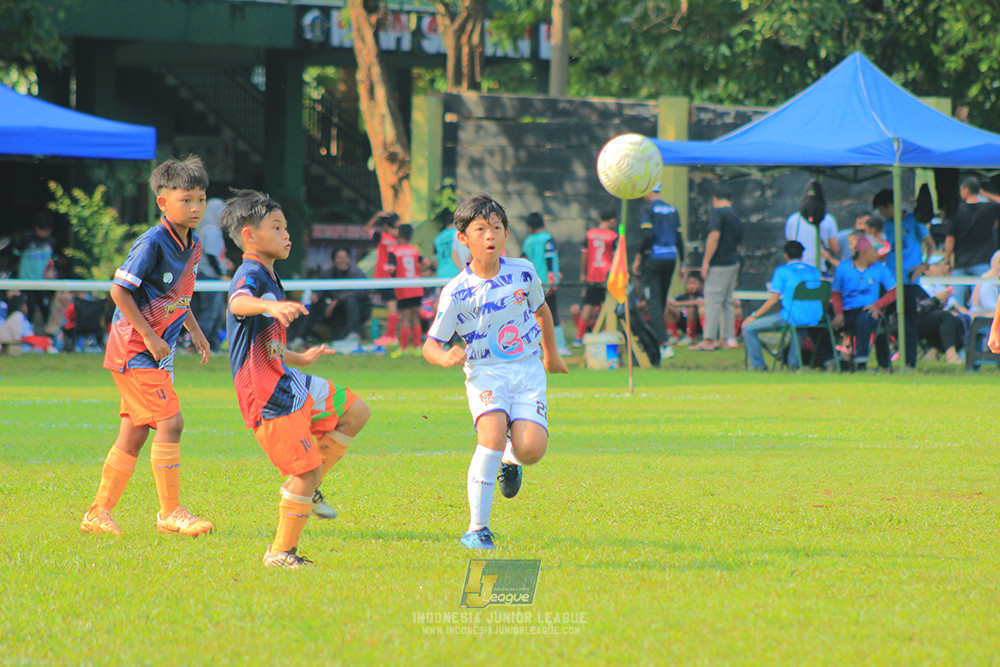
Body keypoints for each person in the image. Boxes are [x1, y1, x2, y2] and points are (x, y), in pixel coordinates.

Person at [222, 189, 372, 568]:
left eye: (286, 226)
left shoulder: (270, 274)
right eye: (277, 227)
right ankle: (279, 553)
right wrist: (270, 305)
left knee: (356, 411)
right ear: (249, 236)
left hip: (286, 377)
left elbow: (264, 342)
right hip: (266, 394)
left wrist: (299, 357)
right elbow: (237, 303)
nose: (287, 234)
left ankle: (309, 485)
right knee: (303, 473)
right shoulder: (250, 274)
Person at [422, 192, 568, 551]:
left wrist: (551, 355)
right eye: (481, 229)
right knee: (489, 436)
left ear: (506, 234)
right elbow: (430, 345)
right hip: (486, 372)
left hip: (527, 370)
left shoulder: (524, 271)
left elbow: (543, 312)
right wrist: (444, 358)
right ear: (463, 238)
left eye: (497, 228)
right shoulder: (456, 292)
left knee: (531, 449)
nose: (490, 236)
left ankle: (512, 458)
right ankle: (477, 528)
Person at [80, 155, 213, 537]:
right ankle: (171, 512)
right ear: (163, 203)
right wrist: (152, 337)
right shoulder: (153, 241)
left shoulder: (194, 243)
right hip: (135, 349)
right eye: (186, 199)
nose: (194, 207)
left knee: (134, 433)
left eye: (200, 199)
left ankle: (97, 513)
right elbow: (119, 290)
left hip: (154, 351)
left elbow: (178, 294)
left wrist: (195, 330)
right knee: (171, 422)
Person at [875, 188, 935, 368]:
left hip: (909, 280)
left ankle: (910, 363)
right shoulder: (886, 225)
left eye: (882, 209)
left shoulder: (915, 221)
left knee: (909, 321)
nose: (882, 214)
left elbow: (930, 245)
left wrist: (924, 265)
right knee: (879, 318)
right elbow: (886, 248)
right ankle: (884, 363)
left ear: (890, 205)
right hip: (890, 281)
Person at [741, 241, 823, 370]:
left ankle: (758, 366)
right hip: (816, 318)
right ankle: (793, 364)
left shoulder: (782, 271)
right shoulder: (814, 271)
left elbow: (773, 300)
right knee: (795, 327)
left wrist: (754, 316)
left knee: (748, 329)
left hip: (792, 317)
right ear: (802, 254)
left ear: (785, 255)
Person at [831, 235, 897, 370]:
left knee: (864, 319)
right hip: (848, 310)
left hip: (870, 311)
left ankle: (861, 362)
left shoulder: (880, 268)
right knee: (826, 320)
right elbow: (836, 293)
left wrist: (877, 305)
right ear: (864, 252)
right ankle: (834, 360)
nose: (877, 254)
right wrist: (838, 313)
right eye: (875, 250)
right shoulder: (843, 268)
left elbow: (894, 291)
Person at [632, 185, 683, 360]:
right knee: (660, 300)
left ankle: (664, 344)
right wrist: (682, 263)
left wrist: (639, 256)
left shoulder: (647, 209)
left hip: (654, 257)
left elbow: (647, 235)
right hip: (671, 257)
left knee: (653, 301)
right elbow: (679, 238)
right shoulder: (672, 209)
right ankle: (657, 339)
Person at [692, 186, 743, 351]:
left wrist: (706, 261)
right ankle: (726, 338)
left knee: (713, 301)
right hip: (733, 262)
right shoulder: (735, 216)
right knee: (727, 302)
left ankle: (708, 339)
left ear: (715, 199)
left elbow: (714, 237)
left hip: (719, 263)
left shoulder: (718, 213)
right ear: (731, 200)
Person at [289, 248, 371, 350]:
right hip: (334, 313)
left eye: (345, 258)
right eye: (340, 258)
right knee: (315, 305)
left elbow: (361, 293)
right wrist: (316, 296)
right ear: (333, 261)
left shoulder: (357, 273)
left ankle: (354, 335)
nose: (343, 260)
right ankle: (301, 338)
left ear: (350, 260)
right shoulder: (328, 274)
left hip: (357, 312)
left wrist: (337, 301)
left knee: (351, 301)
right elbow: (320, 290)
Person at [944, 177, 1000, 307]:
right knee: (979, 302)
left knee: (956, 303)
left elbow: (950, 239)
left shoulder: (956, 211)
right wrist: (985, 193)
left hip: (960, 263)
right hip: (982, 262)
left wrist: (947, 261)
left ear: (965, 190)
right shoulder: (988, 209)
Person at [521, 212, 570, 355]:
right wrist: (552, 278)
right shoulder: (547, 239)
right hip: (547, 283)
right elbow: (549, 258)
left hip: (532, 283)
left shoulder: (528, 241)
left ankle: (538, 346)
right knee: (552, 313)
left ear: (530, 226)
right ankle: (559, 346)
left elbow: (524, 259)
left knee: (534, 314)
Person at [574, 208, 619, 346]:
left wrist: (583, 273)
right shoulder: (613, 236)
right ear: (612, 220)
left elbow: (584, 255)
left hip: (592, 275)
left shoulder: (590, 235)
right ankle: (605, 333)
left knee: (588, 305)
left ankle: (579, 337)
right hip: (607, 276)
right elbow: (616, 258)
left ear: (599, 219)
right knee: (607, 305)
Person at [191, 198, 228, 350]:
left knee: (213, 312)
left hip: (204, 275)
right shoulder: (211, 231)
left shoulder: (203, 229)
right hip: (209, 276)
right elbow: (212, 256)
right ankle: (203, 345)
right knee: (211, 312)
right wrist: (221, 273)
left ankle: (212, 345)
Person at [387, 223, 428, 356]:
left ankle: (404, 348)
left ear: (398, 234)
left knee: (405, 318)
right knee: (415, 317)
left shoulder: (394, 251)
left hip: (403, 288)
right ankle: (416, 348)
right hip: (416, 286)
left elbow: (391, 269)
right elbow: (426, 262)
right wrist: (418, 271)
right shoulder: (414, 249)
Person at [13, 211, 60, 326]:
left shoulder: (52, 242)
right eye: (41, 229)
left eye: (46, 230)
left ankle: (49, 336)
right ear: (35, 227)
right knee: (28, 310)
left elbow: (53, 263)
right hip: (26, 282)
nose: (43, 233)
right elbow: (14, 259)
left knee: (46, 310)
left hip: (44, 283)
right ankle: (28, 334)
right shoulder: (25, 240)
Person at [785, 180, 840, 272]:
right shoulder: (828, 220)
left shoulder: (793, 219)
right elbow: (835, 249)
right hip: (819, 269)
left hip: (797, 270)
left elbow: (790, 246)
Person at [366, 210, 400, 346]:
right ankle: (391, 335)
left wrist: (376, 216)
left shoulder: (382, 236)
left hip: (385, 276)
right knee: (393, 306)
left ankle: (392, 336)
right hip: (395, 276)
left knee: (392, 306)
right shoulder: (400, 238)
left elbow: (367, 229)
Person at [664, 272, 704, 345]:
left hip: (697, 324)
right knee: (668, 309)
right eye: (689, 283)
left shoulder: (702, 295)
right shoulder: (683, 296)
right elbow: (671, 301)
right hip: (684, 322)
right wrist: (671, 304)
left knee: (691, 310)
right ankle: (674, 335)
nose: (691, 286)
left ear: (701, 285)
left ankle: (690, 336)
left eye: (694, 283)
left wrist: (679, 304)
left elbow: (699, 302)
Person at [432, 208, 460, 281]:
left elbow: (435, 261)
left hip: (441, 274)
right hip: (458, 272)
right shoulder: (460, 235)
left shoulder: (437, 238)